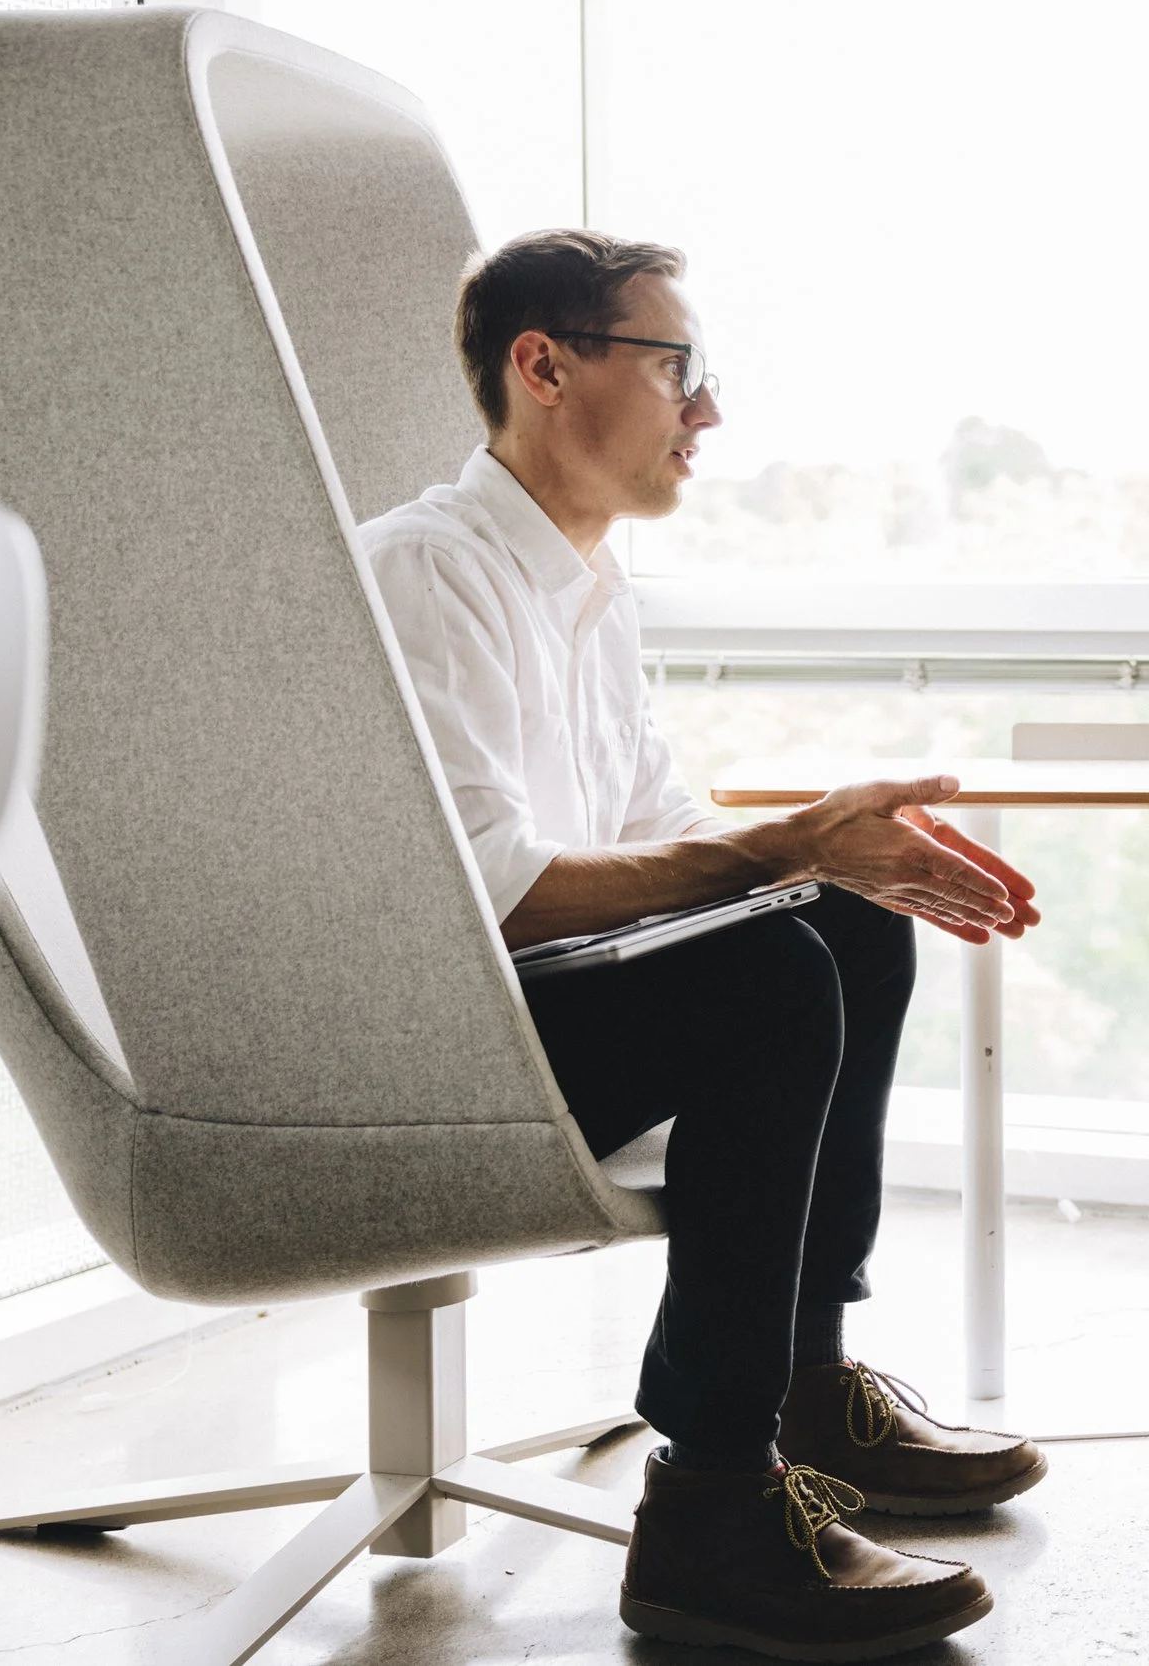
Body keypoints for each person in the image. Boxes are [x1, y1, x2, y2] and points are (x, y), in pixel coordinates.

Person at [360, 230, 1045, 1661]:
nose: (709, 413)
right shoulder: (429, 572)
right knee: (766, 966)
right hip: (436, 1039)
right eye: (678, 369)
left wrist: (833, 855)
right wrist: (787, 848)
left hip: (536, 1008)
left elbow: (657, 831)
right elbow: (494, 892)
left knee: (836, 924)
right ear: (543, 368)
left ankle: (802, 1379)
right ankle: (712, 1499)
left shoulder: (589, 592)